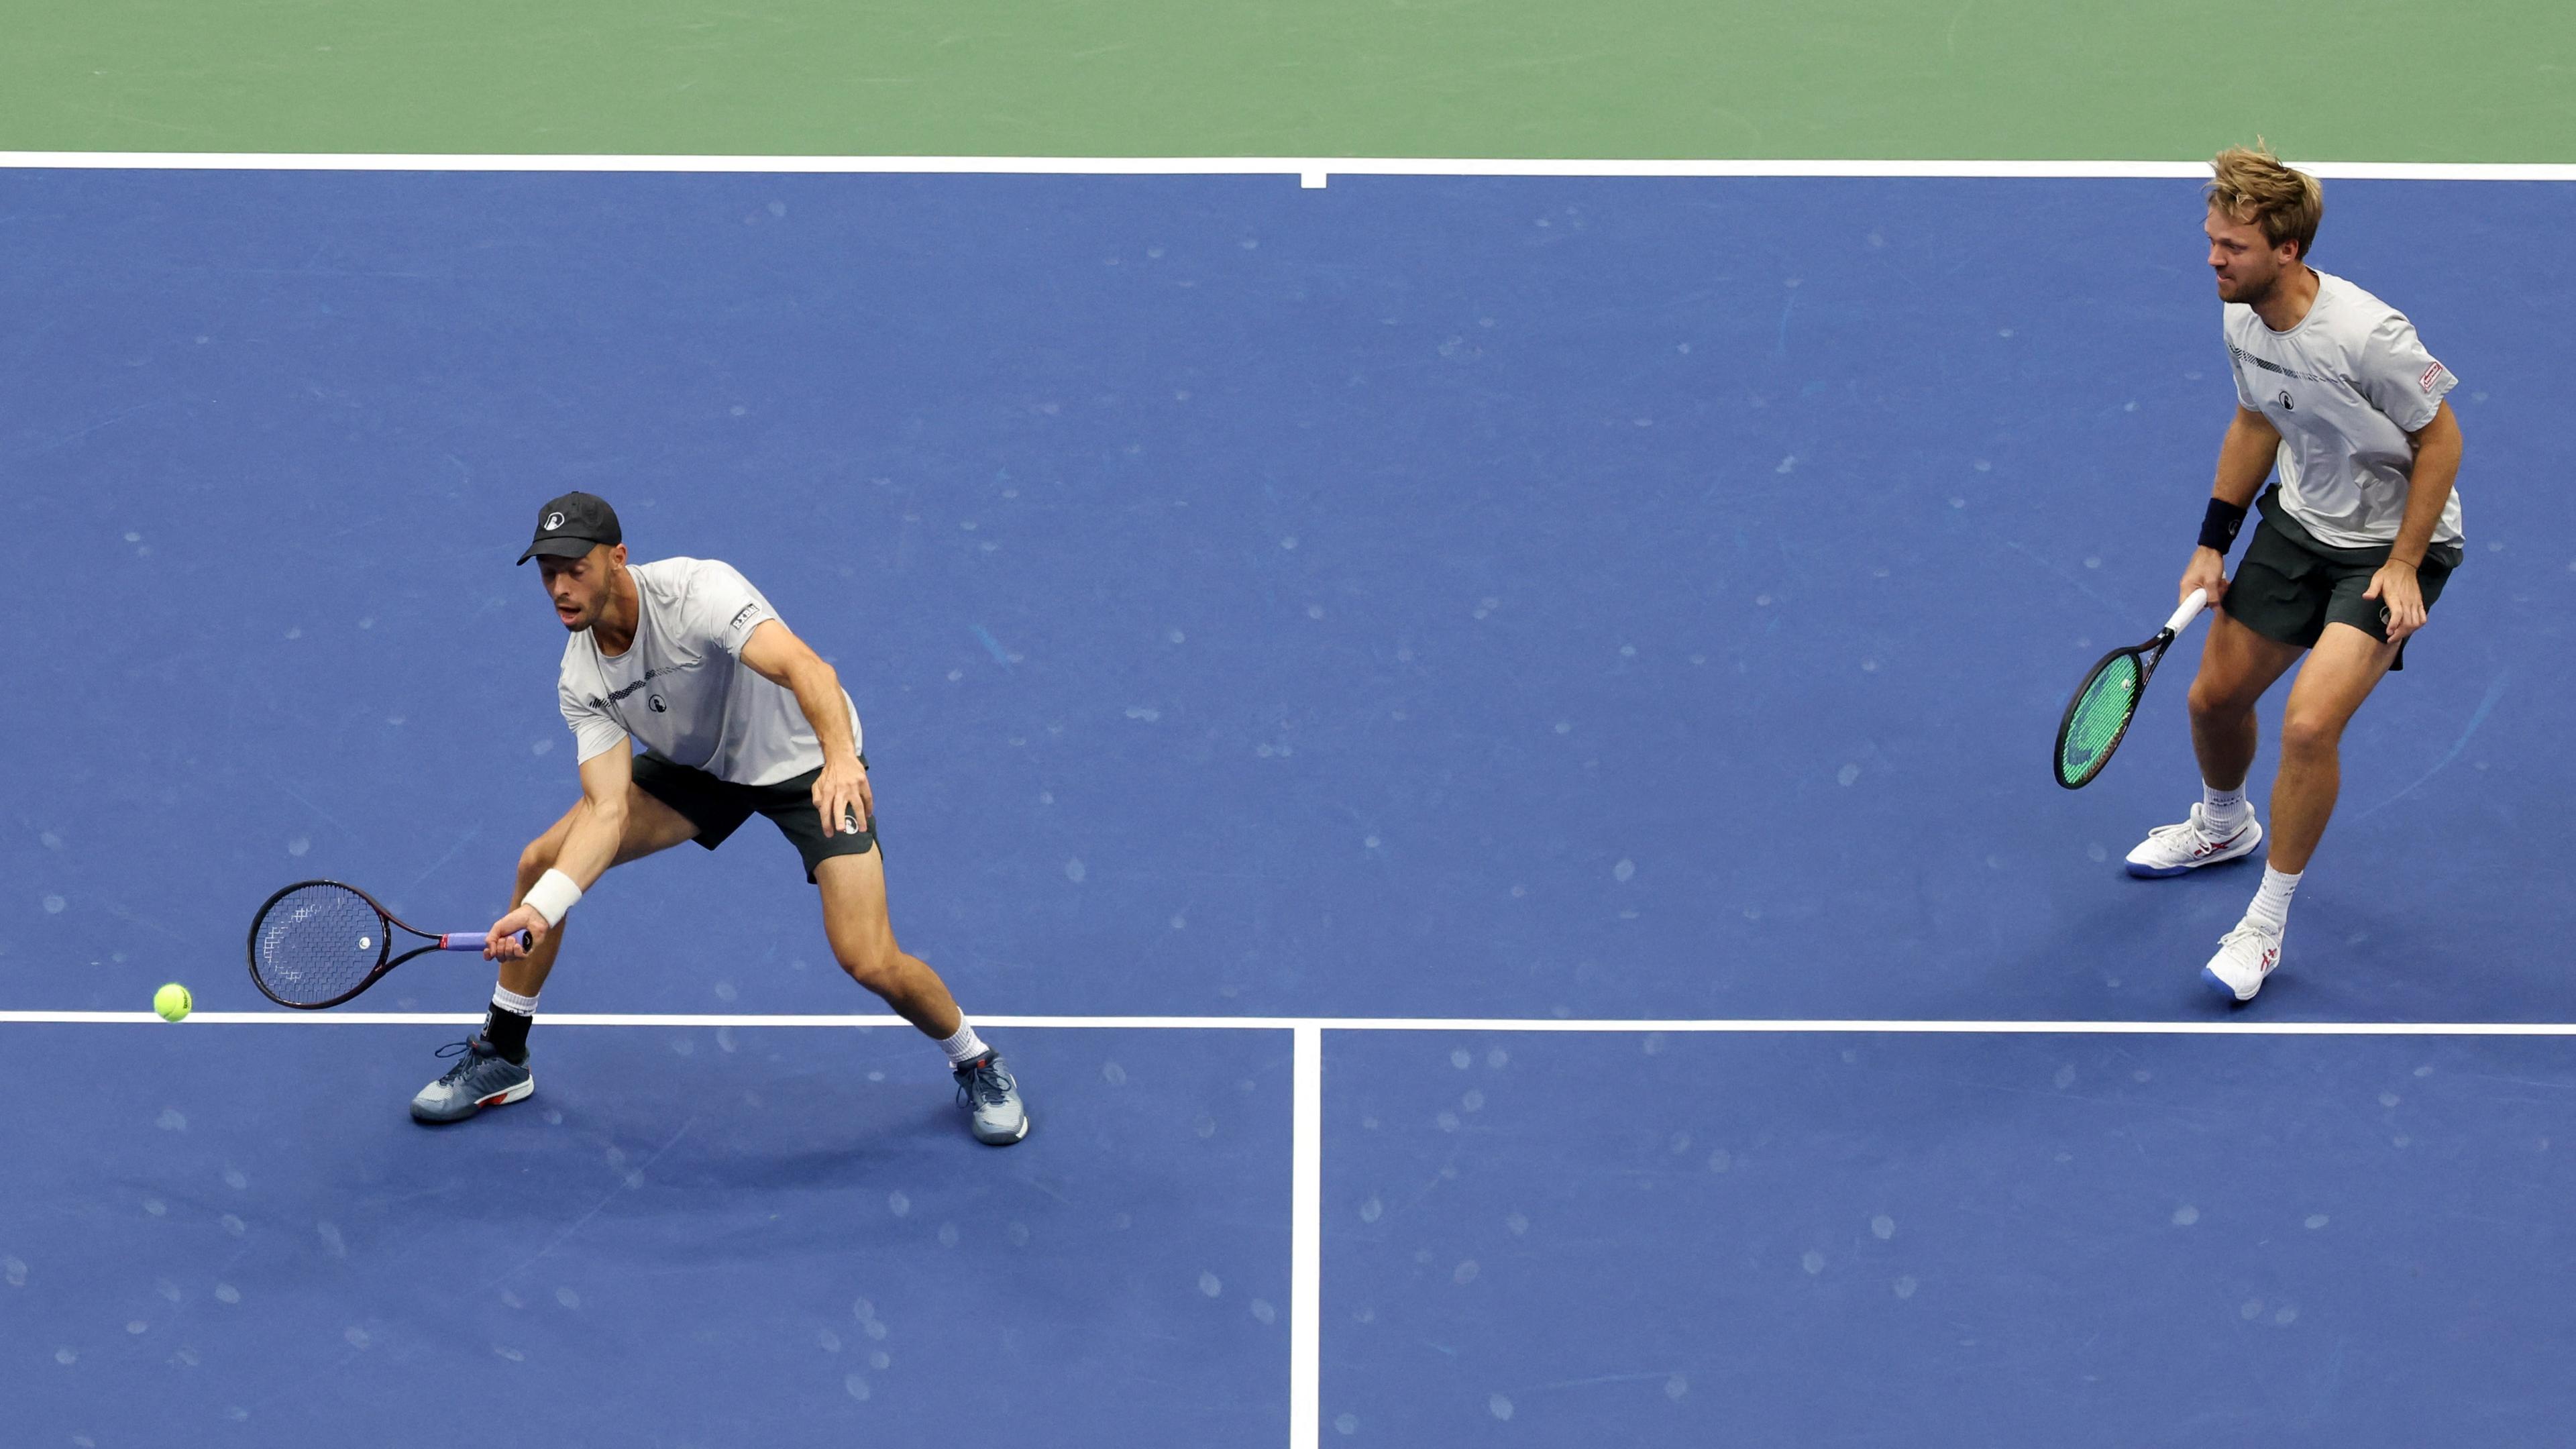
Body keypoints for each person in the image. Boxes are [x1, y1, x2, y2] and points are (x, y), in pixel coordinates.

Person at [409, 491, 1028, 1142]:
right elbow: (608, 809)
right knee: (541, 865)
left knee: (868, 958)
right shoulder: (580, 678)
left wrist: (842, 758)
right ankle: (504, 1056)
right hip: (702, 766)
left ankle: (976, 1059)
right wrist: (543, 909)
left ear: (617, 559)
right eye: (548, 574)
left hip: (805, 762)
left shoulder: (697, 591)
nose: (561, 589)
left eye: (576, 569)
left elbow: (806, 667)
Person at [2125, 144, 2466, 1004]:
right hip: (2301, 523)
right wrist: (2213, 541)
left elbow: (2443, 441)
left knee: (2310, 728)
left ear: (2287, 251)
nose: (2212, 258)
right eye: (2211, 239)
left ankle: (2266, 924)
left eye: (2229, 247)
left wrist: (2403, 565)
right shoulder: (2241, 314)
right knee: (2212, 700)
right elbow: (2254, 421)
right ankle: (2223, 824)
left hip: (2393, 550)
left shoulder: (2367, 335)